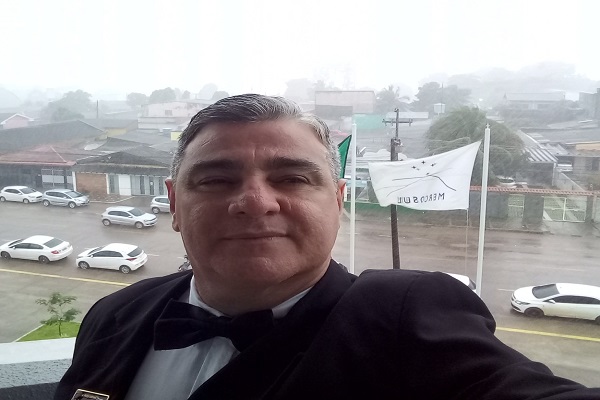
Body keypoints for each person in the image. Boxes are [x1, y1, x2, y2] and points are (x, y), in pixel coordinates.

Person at [54, 94, 599, 400]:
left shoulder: (403, 319)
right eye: (216, 179)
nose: (255, 202)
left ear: (337, 200)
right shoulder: (116, 313)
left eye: (292, 178)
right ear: (174, 203)